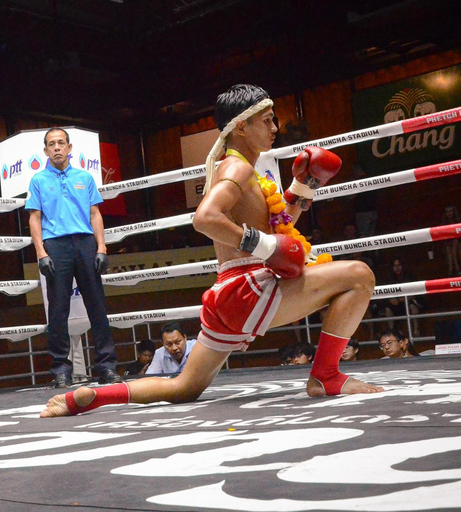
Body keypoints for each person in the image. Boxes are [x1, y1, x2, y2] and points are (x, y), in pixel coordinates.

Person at [40, 84, 384, 418]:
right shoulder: (236, 168)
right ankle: (325, 376)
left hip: (229, 295)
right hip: (249, 289)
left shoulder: (241, 168)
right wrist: (264, 246)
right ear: (240, 127)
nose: (275, 128)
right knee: (359, 275)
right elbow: (205, 219)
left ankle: (91, 396)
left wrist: (302, 188)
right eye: (266, 120)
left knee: (183, 387)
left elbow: (276, 229)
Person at [26, 127, 120, 388]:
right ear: (45, 151)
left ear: (69, 147)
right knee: (57, 310)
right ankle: (60, 370)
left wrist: (102, 247)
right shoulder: (38, 180)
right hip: (55, 245)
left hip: (86, 242)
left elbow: (95, 214)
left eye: (61, 143)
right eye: (51, 144)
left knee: (97, 306)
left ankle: (107, 367)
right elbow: (34, 218)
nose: (57, 147)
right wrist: (41, 252)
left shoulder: (84, 177)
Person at [381, 258, 424, 337]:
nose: (397, 268)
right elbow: (386, 294)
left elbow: (415, 294)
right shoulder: (389, 278)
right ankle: (392, 333)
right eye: (395, 266)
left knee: (413, 308)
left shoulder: (410, 276)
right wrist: (391, 300)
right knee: (387, 309)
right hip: (396, 304)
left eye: (399, 265)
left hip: (408, 301)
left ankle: (416, 331)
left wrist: (400, 299)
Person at [440, 204, 461, 276]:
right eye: (447, 211)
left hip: (460, 242)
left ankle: (454, 267)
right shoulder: (443, 224)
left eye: (451, 211)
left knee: (454, 242)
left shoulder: (459, 221)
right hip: (448, 243)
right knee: (448, 248)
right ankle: (452, 269)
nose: (449, 213)